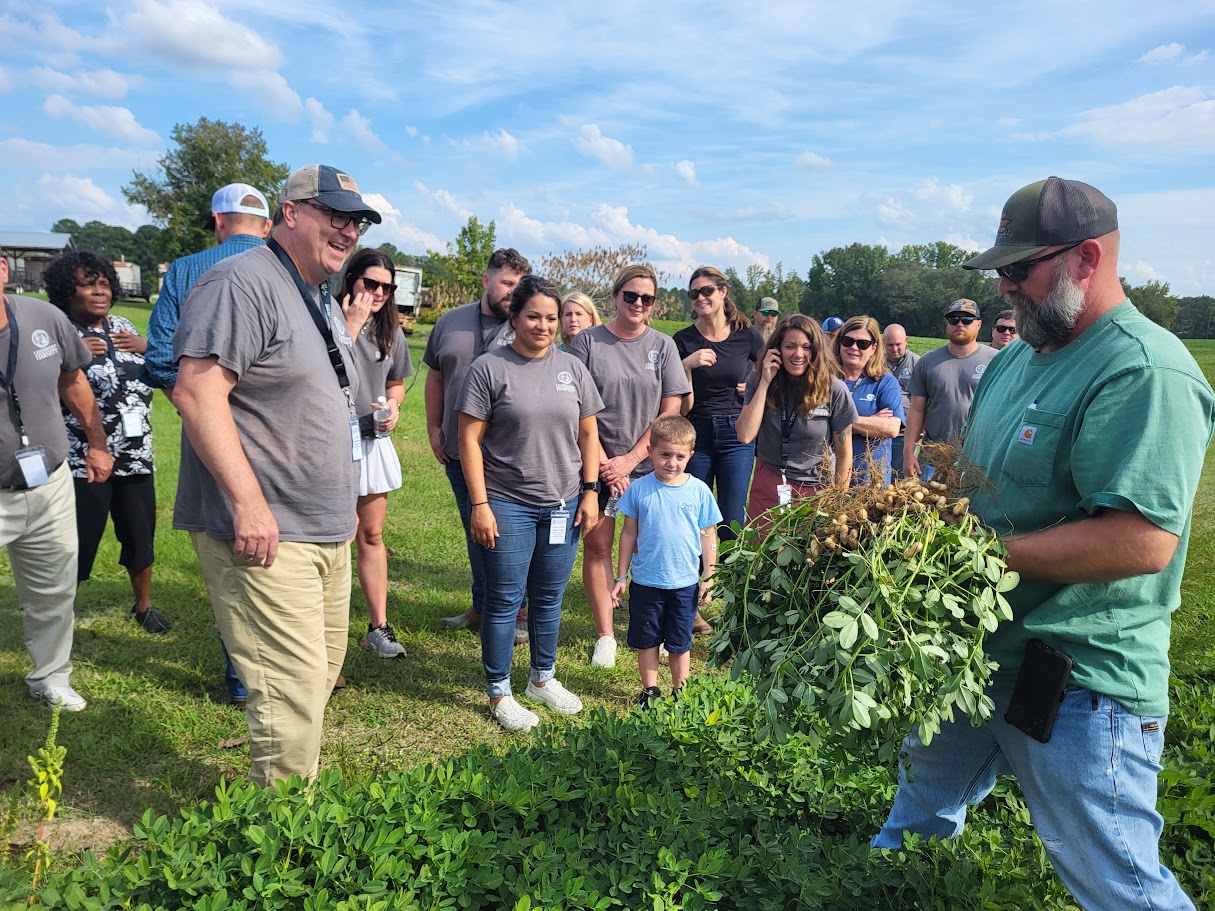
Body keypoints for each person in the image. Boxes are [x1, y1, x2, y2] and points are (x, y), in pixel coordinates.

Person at [872, 177, 1212, 911]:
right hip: (977, 652)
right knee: (918, 810)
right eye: (999, 269)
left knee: (1115, 877)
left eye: (1017, 269)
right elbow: (977, 478)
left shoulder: (1142, 370)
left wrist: (974, 556)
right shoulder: (1020, 355)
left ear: (1085, 258)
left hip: (1075, 674)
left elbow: (1139, 541)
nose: (1001, 286)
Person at [173, 164, 381, 786]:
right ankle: (283, 842)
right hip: (269, 532)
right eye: (334, 215)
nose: (347, 231)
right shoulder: (242, 282)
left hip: (324, 529)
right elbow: (196, 393)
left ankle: (281, 803)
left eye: (356, 221)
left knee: (317, 674)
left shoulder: (313, 291)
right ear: (290, 212)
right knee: (288, 691)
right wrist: (249, 504)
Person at [141, 180, 271, 708]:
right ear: (265, 224)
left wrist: (196, 408)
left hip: (212, 437)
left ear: (218, 221)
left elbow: (159, 357)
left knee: (231, 543)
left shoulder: (186, 270)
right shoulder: (291, 271)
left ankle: (243, 679)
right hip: (284, 432)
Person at [456, 274, 604, 732]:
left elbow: (588, 433)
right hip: (506, 501)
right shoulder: (489, 368)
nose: (543, 325)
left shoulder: (572, 368)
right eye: (534, 316)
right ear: (515, 317)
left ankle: (542, 678)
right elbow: (468, 438)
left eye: (551, 318)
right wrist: (480, 505)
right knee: (504, 600)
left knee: (548, 597)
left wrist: (591, 489)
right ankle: (499, 692)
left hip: (563, 502)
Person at [0, 250, 113, 711]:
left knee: (53, 589)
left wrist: (98, 442)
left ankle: (50, 677)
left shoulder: (43, 317)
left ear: (4, 269)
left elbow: (73, 381)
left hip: (49, 482)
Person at [567, 265, 689, 668]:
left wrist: (634, 459)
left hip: (651, 466)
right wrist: (605, 463)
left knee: (650, 549)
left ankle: (654, 628)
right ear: (615, 296)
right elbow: (577, 407)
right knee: (599, 546)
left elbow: (670, 409)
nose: (638, 304)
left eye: (647, 298)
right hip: (595, 462)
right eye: (631, 296)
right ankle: (606, 634)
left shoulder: (663, 345)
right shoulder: (587, 342)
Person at [44, 252, 168, 633]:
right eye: (87, 284)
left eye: (104, 285)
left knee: (140, 535)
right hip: (83, 460)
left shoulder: (122, 325)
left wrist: (144, 346)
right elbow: (37, 387)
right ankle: (60, 614)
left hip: (134, 455)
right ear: (67, 292)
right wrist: (74, 358)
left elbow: (159, 369)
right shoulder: (58, 332)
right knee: (77, 540)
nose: (99, 292)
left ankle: (143, 606)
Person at [425, 249, 532, 642]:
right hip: (458, 447)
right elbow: (436, 375)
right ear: (486, 281)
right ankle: (481, 605)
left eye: (520, 285)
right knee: (477, 529)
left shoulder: (526, 326)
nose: (512, 293)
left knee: (509, 535)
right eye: (506, 283)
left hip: (508, 454)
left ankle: (517, 612)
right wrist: (434, 426)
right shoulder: (451, 322)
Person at [609, 415, 720, 707]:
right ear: (650, 453)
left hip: (684, 582)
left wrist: (709, 575)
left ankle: (679, 690)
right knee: (647, 638)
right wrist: (621, 576)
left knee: (680, 640)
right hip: (646, 581)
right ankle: (650, 691)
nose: (671, 462)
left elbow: (708, 533)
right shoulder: (639, 489)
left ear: (690, 456)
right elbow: (628, 533)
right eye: (664, 454)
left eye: (679, 456)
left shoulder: (698, 490)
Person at [675, 266, 761, 635]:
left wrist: (753, 391)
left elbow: (772, 374)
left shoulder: (747, 337)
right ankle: (690, 606)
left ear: (724, 292)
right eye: (694, 293)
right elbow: (666, 384)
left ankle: (741, 602)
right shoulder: (683, 339)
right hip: (694, 433)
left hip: (735, 434)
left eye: (707, 290)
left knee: (731, 519)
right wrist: (687, 365)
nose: (700, 298)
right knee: (693, 518)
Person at [338, 249, 413, 660]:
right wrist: (349, 326)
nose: (379, 293)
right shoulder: (326, 317)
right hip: (328, 445)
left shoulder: (390, 329)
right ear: (351, 279)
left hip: (370, 441)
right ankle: (323, 631)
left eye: (388, 286)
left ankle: (377, 627)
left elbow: (395, 380)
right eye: (371, 283)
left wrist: (394, 407)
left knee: (370, 534)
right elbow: (322, 370)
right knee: (333, 538)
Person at [737, 314, 856, 520]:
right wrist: (765, 383)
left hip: (814, 491)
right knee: (762, 550)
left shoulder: (834, 389)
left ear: (816, 350)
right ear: (777, 349)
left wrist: (838, 499)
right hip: (769, 482)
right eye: (790, 346)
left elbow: (844, 453)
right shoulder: (759, 379)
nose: (798, 354)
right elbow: (745, 435)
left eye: (807, 347)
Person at [902, 299, 996, 478]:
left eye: (967, 320)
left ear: (978, 325)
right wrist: (908, 452)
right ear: (947, 324)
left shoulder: (995, 361)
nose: (960, 324)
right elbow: (916, 411)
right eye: (954, 320)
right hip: (933, 460)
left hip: (978, 461)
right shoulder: (927, 362)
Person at [834, 316, 904, 485]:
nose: (853, 348)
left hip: (871, 481)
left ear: (874, 348)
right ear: (839, 343)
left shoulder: (885, 382)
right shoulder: (825, 379)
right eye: (848, 341)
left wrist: (835, 422)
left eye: (862, 344)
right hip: (828, 477)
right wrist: (870, 424)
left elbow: (892, 428)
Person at [882, 323, 918, 479]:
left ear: (906, 341)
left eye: (898, 344)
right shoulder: (875, 364)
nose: (894, 349)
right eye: (890, 345)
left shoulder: (918, 363)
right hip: (880, 433)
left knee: (899, 478)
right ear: (883, 343)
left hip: (904, 435)